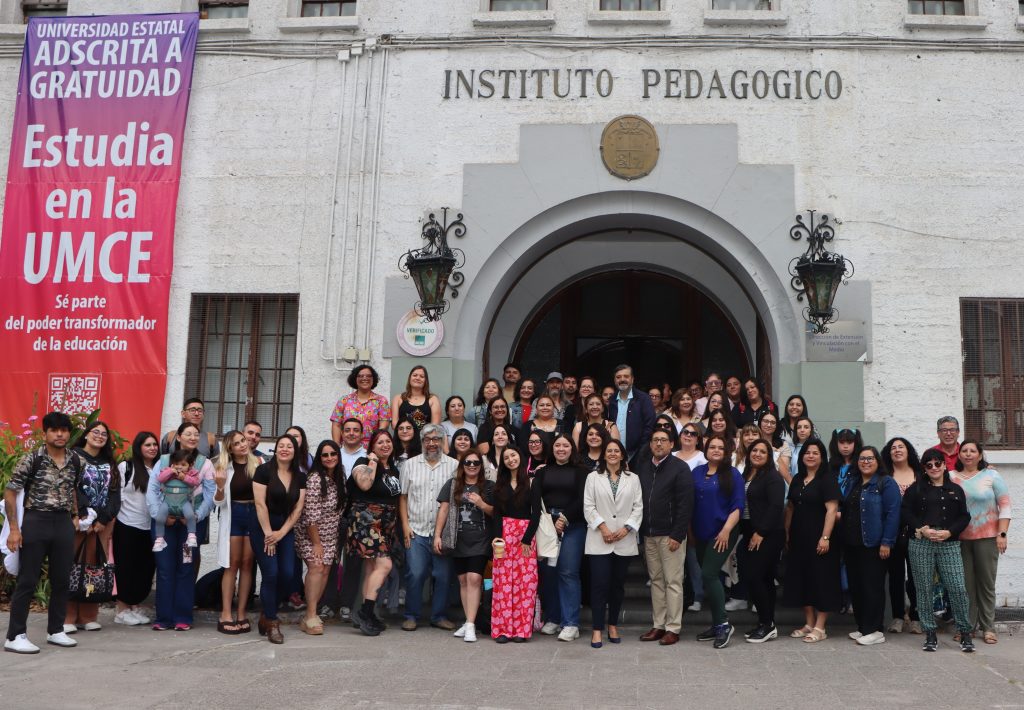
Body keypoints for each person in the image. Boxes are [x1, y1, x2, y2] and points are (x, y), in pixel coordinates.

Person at [3, 412, 84, 654]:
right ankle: (15, 635)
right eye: (54, 430)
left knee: (61, 579)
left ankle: (56, 630)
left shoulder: (76, 460)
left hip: (62, 523)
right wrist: (14, 530)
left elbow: (72, 490)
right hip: (36, 519)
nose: (60, 434)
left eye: (64, 430)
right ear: (45, 433)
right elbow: (10, 491)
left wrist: (75, 516)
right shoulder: (32, 459)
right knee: (27, 579)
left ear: (69, 433)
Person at [147, 422, 218, 631]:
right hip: (165, 522)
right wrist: (160, 514)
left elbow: (210, 494)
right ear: (178, 437)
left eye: (196, 434)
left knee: (186, 567)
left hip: (191, 526)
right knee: (165, 569)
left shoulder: (205, 464)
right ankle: (163, 618)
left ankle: (183, 617)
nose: (193, 437)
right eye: (188, 433)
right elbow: (152, 490)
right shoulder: (164, 460)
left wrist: (196, 515)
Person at [902, 448, 974, 653]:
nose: (934, 467)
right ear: (924, 468)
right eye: (929, 465)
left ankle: (965, 632)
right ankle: (930, 632)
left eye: (937, 463)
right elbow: (905, 511)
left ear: (944, 465)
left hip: (948, 542)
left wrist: (950, 532)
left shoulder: (956, 489)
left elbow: (964, 516)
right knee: (923, 588)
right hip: (921, 543)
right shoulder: (916, 489)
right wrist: (921, 528)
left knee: (957, 586)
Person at [522, 433, 588, 641]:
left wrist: (565, 518)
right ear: (552, 449)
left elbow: (582, 498)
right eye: (557, 445)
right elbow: (536, 500)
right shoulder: (543, 472)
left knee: (568, 572)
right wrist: (549, 521)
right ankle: (553, 617)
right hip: (547, 526)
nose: (561, 449)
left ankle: (571, 623)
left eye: (565, 446)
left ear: (572, 449)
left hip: (573, 525)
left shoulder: (582, 471)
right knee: (548, 572)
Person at [634, 428, 694, 646]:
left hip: (671, 535)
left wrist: (678, 534)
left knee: (673, 582)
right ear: (650, 445)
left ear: (671, 444)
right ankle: (658, 625)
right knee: (657, 582)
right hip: (649, 534)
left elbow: (686, 504)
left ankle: (673, 627)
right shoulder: (643, 468)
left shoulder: (680, 468)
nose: (658, 444)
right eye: (655, 440)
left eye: (663, 441)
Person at [399, 423, 458, 632]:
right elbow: (403, 497)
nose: (432, 443)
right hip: (416, 530)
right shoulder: (410, 465)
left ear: (443, 442)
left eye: (436, 439)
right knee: (415, 573)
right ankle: (411, 615)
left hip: (442, 533)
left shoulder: (454, 465)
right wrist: (405, 525)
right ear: (422, 442)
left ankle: (439, 616)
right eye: (427, 439)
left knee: (443, 576)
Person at [584, 439, 643, 649]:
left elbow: (638, 507)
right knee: (599, 585)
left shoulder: (633, 479)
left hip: (623, 539)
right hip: (600, 539)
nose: (612, 454)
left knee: (617, 587)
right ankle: (597, 629)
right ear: (604, 455)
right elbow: (588, 506)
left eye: (616, 451)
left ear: (622, 455)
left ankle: (613, 625)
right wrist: (603, 528)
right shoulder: (593, 477)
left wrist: (626, 528)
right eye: (609, 451)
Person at [952, 439, 1011, 644]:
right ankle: (966, 627)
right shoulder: (951, 477)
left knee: (986, 584)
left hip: (987, 537)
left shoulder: (991, 475)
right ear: (959, 455)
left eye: (972, 451)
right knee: (964, 586)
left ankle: (988, 627)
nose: (968, 454)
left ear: (979, 454)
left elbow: (1004, 505)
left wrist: (1002, 534)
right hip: (960, 539)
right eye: (964, 451)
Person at [841, 446, 901, 646]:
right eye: (862, 459)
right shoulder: (853, 482)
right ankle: (862, 627)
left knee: (872, 587)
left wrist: (887, 542)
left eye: (870, 458)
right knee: (856, 587)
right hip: (852, 543)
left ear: (877, 461)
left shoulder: (886, 483)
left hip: (874, 544)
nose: (865, 462)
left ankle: (875, 629)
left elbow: (893, 514)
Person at [783, 439, 841, 643]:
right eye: (807, 452)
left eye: (815, 452)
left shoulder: (828, 478)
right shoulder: (798, 478)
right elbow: (790, 507)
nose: (810, 455)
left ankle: (820, 626)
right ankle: (808, 621)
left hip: (820, 538)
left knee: (822, 580)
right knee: (802, 579)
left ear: (822, 456)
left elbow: (832, 509)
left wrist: (825, 537)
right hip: (799, 538)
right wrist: (787, 533)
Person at [690, 435, 745, 649]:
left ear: (726, 451)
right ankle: (715, 624)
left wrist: (725, 530)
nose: (715, 450)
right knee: (711, 578)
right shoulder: (697, 472)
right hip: (700, 532)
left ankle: (723, 625)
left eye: (720, 447)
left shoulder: (732, 474)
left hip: (724, 532)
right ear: (705, 449)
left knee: (708, 574)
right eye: (711, 446)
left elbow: (738, 506)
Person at [434, 451, 495, 643]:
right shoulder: (452, 485)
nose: (471, 465)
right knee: (463, 581)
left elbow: (497, 512)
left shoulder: (489, 486)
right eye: (467, 462)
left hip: (481, 539)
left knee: (475, 579)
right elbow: (443, 509)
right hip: (457, 539)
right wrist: (437, 535)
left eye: (476, 462)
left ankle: (470, 623)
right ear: (462, 465)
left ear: (481, 466)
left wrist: (481, 503)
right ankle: (470, 622)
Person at [250, 434, 306, 644]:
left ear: (295, 451)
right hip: (262, 527)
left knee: (288, 573)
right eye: (280, 446)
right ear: (276, 449)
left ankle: (266, 614)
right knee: (271, 573)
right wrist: (268, 535)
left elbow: (298, 508)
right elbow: (260, 504)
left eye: (289, 446)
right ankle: (272, 622)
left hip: (285, 528)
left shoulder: (300, 476)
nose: (284, 449)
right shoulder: (263, 471)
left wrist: (281, 533)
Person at [346, 431, 402, 636]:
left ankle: (367, 616)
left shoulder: (394, 469)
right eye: (380, 442)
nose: (385, 445)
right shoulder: (363, 461)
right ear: (372, 446)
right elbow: (364, 484)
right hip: (365, 520)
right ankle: (364, 611)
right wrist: (372, 462)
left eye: (388, 441)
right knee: (385, 564)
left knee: (371, 568)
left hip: (385, 525)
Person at [67, 420, 121, 632]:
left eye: (104, 434)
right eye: (95, 432)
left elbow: (115, 494)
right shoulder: (74, 456)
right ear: (86, 435)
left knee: (94, 567)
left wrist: (102, 519)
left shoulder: (110, 461)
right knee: (72, 566)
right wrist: (83, 514)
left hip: (101, 524)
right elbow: (71, 487)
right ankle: (68, 617)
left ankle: (88, 616)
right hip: (78, 520)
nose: (99, 436)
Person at [212, 430, 260, 635]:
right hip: (234, 515)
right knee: (231, 565)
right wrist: (220, 487)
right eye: (237, 443)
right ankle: (225, 613)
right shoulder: (222, 467)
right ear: (230, 448)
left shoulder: (257, 463)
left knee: (248, 564)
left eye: (243, 441)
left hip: (253, 515)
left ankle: (241, 613)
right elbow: (218, 502)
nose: (242, 445)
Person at [738, 439, 786, 643]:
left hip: (768, 534)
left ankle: (767, 624)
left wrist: (761, 532)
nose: (757, 454)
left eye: (762, 452)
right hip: (750, 531)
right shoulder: (747, 474)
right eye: (754, 450)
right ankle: (766, 622)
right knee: (763, 579)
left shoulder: (773, 477)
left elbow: (776, 507)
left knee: (755, 576)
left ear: (769, 457)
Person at [295, 440, 344, 635]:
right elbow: (310, 516)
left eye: (333, 454)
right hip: (311, 534)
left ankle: (309, 616)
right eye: (325, 455)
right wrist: (316, 544)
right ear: (319, 458)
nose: (330, 458)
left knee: (325, 571)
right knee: (316, 567)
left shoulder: (339, 477)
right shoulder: (315, 479)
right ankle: (311, 614)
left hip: (331, 535)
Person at [491, 447, 537, 643]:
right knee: (502, 583)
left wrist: (527, 538)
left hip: (526, 536)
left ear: (521, 457)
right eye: (507, 457)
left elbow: (536, 514)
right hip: (504, 536)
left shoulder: (532, 482)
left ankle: (521, 629)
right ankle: (502, 629)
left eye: (514, 455)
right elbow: (496, 514)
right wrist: (496, 537)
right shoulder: (499, 486)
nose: (511, 459)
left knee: (525, 584)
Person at [113, 432, 159, 626]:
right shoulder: (127, 467)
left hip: (150, 527)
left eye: (155, 444)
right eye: (147, 444)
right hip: (127, 524)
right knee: (126, 568)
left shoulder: (159, 469)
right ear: (138, 447)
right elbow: (118, 494)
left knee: (145, 569)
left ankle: (134, 605)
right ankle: (121, 609)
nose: (152, 448)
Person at [882, 436, 923, 634]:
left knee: (916, 577)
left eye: (901, 447)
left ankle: (915, 617)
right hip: (893, 533)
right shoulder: (885, 474)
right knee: (896, 576)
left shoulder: (920, 474)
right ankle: (898, 616)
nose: (897, 450)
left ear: (908, 451)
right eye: (893, 448)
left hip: (917, 533)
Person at [828, 427, 863, 613]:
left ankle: (849, 597)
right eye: (842, 442)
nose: (846, 446)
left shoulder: (860, 466)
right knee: (835, 558)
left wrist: (845, 511)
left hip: (852, 519)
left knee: (849, 559)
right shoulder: (831, 466)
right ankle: (839, 597)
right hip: (831, 518)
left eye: (849, 442)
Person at [330, 364, 391, 449]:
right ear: (355, 379)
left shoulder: (381, 401)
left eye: (369, 376)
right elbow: (336, 425)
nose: (365, 378)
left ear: (373, 379)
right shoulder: (344, 400)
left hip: (372, 449)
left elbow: (383, 426)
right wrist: (336, 447)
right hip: (347, 448)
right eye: (360, 376)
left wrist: (375, 447)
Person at [151, 449, 202, 552]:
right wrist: (170, 471)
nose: (179, 467)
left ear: (190, 465)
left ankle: (191, 535)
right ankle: (160, 539)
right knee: (160, 518)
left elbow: (195, 482)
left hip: (183, 505)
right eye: (176, 464)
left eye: (183, 464)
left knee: (191, 516)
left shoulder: (192, 473)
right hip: (168, 505)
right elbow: (160, 479)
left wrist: (184, 478)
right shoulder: (168, 471)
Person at [607, 364, 657, 461]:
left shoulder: (643, 399)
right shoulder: (612, 400)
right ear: (614, 380)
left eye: (626, 376)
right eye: (618, 377)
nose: (622, 379)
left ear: (632, 379)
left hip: (637, 455)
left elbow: (649, 427)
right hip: (614, 454)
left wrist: (641, 452)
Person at [391, 365, 441, 430]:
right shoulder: (398, 398)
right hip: (403, 438)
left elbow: (435, 426)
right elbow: (394, 424)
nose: (418, 378)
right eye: (415, 375)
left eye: (422, 376)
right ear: (409, 378)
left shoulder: (433, 399)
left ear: (426, 381)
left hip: (425, 439)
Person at [757, 412, 791, 481]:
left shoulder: (783, 444)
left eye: (773, 422)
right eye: (766, 421)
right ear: (760, 422)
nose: (769, 425)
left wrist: (775, 454)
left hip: (776, 481)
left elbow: (785, 472)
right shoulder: (754, 442)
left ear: (776, 425)